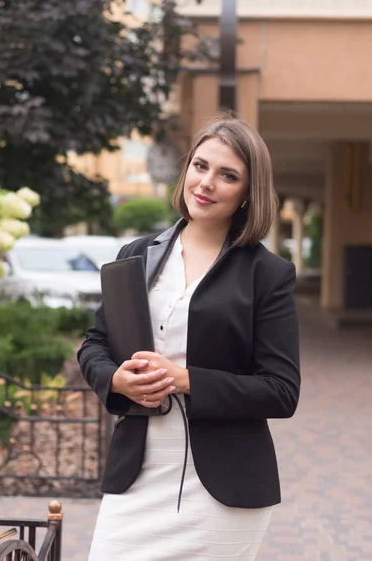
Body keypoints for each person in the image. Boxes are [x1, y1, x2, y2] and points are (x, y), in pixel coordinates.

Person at [77, 114, 300, 561]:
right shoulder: (137, 254)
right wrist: (116, 380)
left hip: (224, 491)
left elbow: (281, 391)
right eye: (200, 166)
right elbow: (94, 343)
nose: (207, 183)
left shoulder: (268, 275)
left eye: (228, 175)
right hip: (137, 472)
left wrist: (186, 379)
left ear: (247, 195)